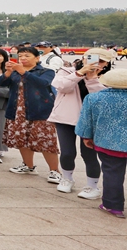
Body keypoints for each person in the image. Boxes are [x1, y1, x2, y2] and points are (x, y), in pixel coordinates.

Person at [48, 48, 112, 197]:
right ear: (83, 58)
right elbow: (62, 86)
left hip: (92, 120)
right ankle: (67, 179)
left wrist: (92, 79)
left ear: (107, 63)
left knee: (89, 154)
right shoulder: (66, 70)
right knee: (67, 152)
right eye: (90, 58)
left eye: (101, 61)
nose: (96, 63)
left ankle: (92, 186)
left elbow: (101, 99)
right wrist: (79, 73)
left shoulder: (109, 78)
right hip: (66, 117)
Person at [0, 46, 60, 182]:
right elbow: (0, 83)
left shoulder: (46, 71)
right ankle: (28, 165)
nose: (22, 58)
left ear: (37, 58)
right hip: (17, 110)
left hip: (40, 110)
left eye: (27, 56)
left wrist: (23, 72)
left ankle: (54, 171)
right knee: (22, 139)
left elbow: (43, 83)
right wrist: (8, 72)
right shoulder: (15, 72)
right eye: (20, 56)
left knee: (46, 141)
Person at [76, 68, 127, 218]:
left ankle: (113, 206)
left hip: (108, 143)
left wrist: (86, 137)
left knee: (112, 173)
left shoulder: (94, 98)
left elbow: (86, 122)